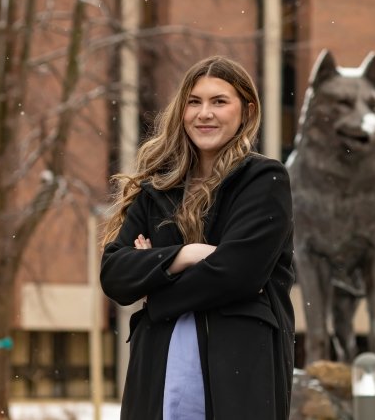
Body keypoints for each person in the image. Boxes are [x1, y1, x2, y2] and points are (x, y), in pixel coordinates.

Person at [100, 55, 294, 420]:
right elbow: (114, 273)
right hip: (158, 364)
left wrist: (156, 284)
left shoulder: (264, 181)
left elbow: (238, 274)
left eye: (219, 101)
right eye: (194, 102)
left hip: (237, 369)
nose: (204, 113)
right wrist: (186, 254)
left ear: (247, 112)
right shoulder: (158, 188)